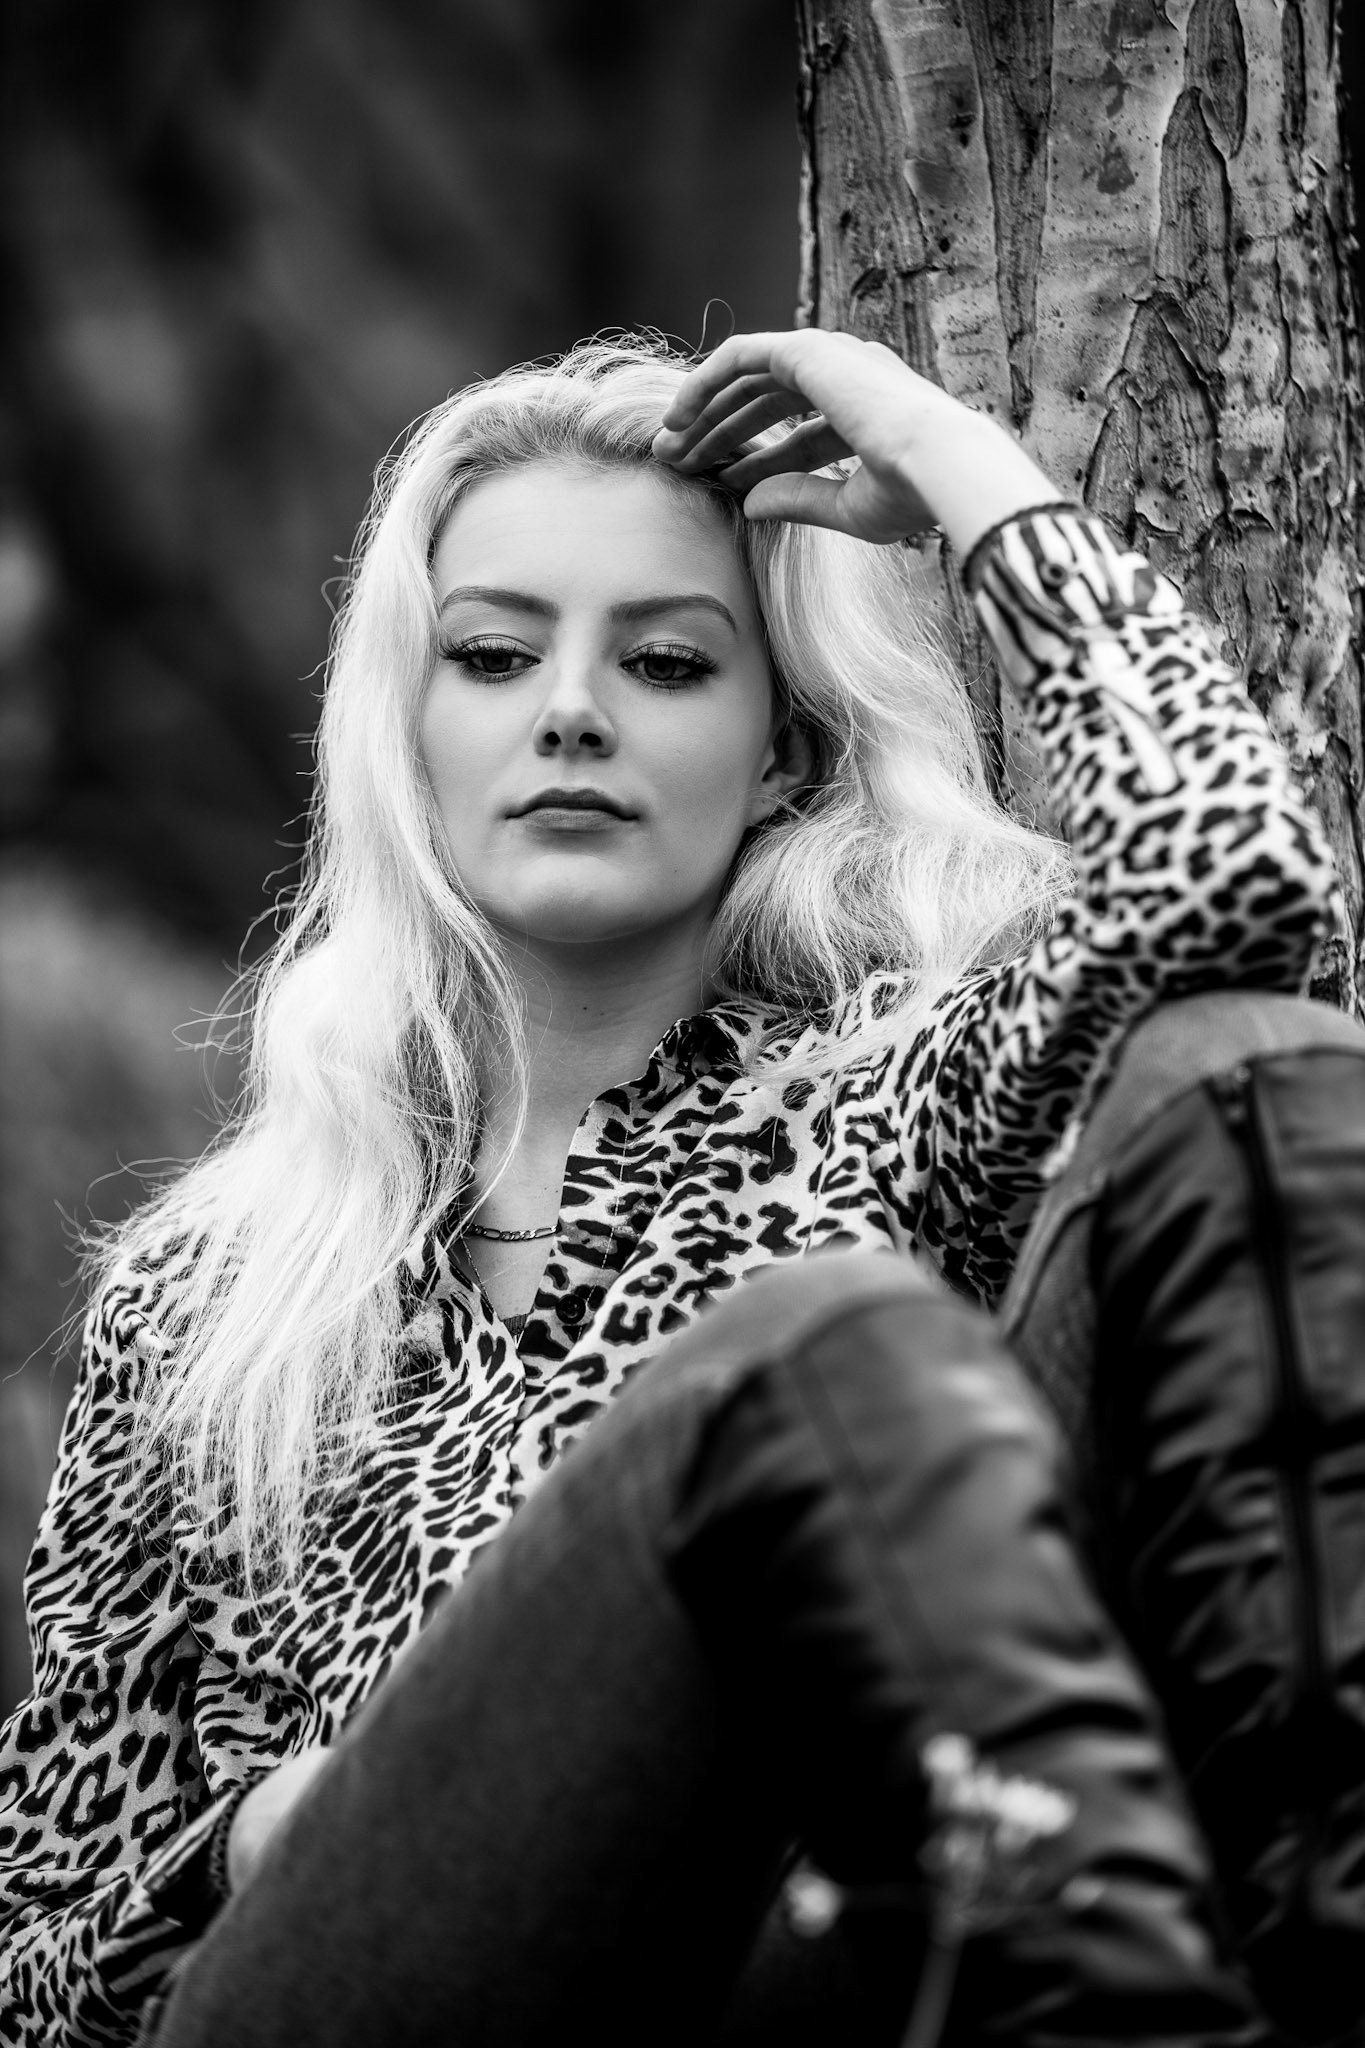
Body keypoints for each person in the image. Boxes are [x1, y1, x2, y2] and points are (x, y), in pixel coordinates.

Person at [0, 327, 1361, 2048]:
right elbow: (29, 1966)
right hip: (349, 2003)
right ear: (408, 729)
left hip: (795, 1970)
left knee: (1240, 1066)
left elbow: (1238, 893)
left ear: (781, 752)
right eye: (493, 655)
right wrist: (253, 1840)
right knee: (816, 1346)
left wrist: (953, 461)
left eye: (663, 663)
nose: (570, 709)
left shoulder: (900, 1109)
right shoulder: (210, 1300)